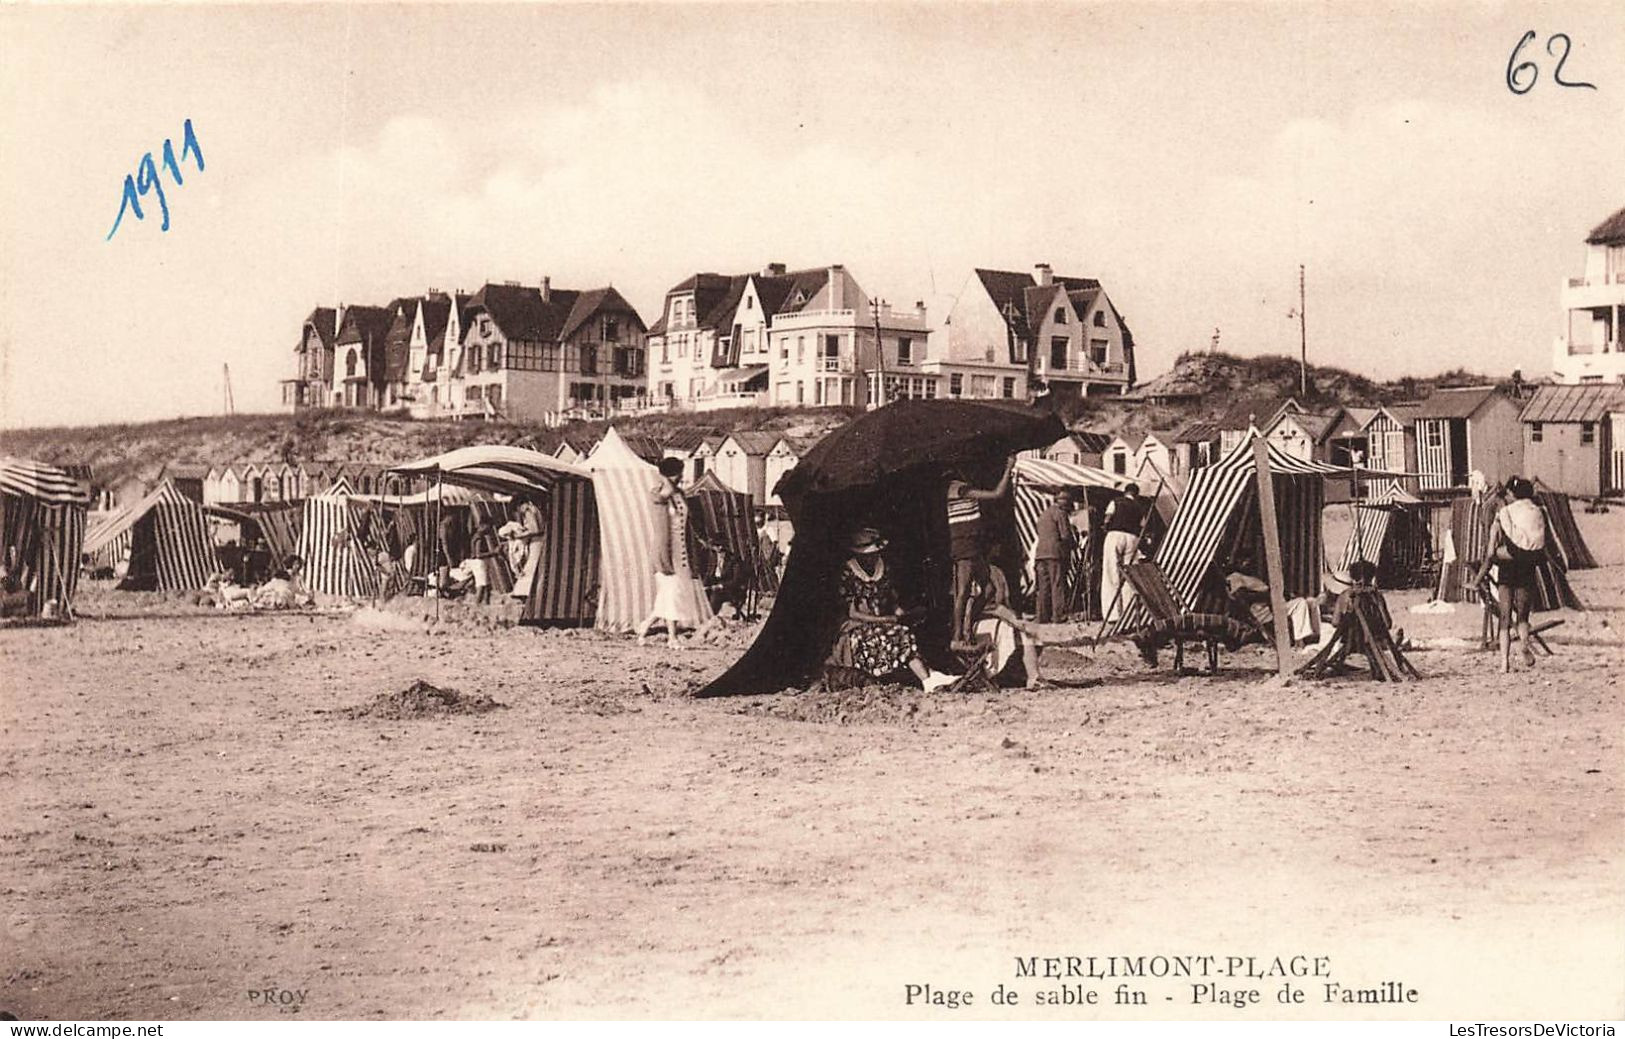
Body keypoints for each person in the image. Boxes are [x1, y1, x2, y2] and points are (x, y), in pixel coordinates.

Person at [831, 528, 955, 691]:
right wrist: (885, 620)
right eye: (868, 554)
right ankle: (928, 678)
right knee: (894, 635)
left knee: (904, 631)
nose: (873, 557)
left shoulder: (884, 568)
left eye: (875, 553)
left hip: (882, 623)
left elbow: (892, 602)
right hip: (857, 628)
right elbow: (853, 613)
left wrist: (905, 615)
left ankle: (929, 676)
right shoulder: (848, 573)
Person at [1475, 476, 1547, 673]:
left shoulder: (1504, 514)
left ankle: (1504, 664)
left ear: (1512, 494)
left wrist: (1483, 571)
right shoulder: (1538, 512)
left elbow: (1491, 552)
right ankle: (1524, 644)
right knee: (1523, 617)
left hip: (1507, 567)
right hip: (1528, 566)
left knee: (1505, 619)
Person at [635, 457, 710, 648]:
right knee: (672, 594)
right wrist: (665, 477)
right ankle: (672, 638)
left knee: (671, 595)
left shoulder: (679, 495)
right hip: (665, 553)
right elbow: (662, 526)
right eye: (678, 473)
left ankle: (645, 626)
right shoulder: (658, 495)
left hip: (681, 552)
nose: (680, 477)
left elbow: (688, 523)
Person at [947, 456, 1015, 643]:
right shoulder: (959, 488)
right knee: (964, 590)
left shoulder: (958, 488)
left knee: (988, 588)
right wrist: (1008, 469)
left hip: (972, 545)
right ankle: (958, 633)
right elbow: (997, 494)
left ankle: (967, 623)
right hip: (965, 545)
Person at [1100, 483, 1147, 624]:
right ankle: (1129, 614)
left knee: (1111, 574)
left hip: (1115, 535)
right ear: (1136, 494)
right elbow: (1142, 525)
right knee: (1129, 576)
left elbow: (1107, 519)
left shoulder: (1116, 502)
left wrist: (1105, 528)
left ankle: (1113, 614)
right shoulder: (1139, 507)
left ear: (1125, 492)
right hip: (1133, 538)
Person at [1031, 488, 1078, 623]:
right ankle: (1058, 615)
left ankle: (1042, 616)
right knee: (1057, 584)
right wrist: (1074, 545)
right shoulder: (1060, 513)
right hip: (1055, 553)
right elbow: (1065, 535)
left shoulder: (1044, 514)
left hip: (1040, 554)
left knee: (1043, 586)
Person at [508, 498, 546, 601]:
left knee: (532, 565)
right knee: (534, 565)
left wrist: (520, 535)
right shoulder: (535, 509)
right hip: (539, 539)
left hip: (536, 540)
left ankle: (524, 591)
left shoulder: (528, 511)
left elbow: (536, 529)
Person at [466, 516, 500, 606]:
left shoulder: (478, 536)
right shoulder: (479, 537)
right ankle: (476, 605)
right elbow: (478, 554)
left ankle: (486, 604)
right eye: (489, 526)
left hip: (481, 562)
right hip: (479, 563)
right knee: (481, 586)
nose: (490, 529)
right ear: (484, 525)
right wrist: (494, 553)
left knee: (487, 585)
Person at [436, 508, 467, 596]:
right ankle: (443, 591)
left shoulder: (448, 526)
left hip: (447, 551)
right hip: (442, 552)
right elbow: (444, 543)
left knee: (447, 572)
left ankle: (445, 590)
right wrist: (448, 557)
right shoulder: (444, 526)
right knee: (444, 571)